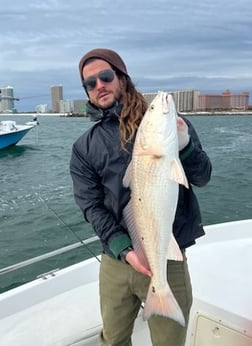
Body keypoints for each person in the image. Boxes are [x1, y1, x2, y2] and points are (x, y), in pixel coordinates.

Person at [70, 48, 212, 346]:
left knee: (169, 342)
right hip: (116, 260)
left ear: (122, 78)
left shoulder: (166, 124)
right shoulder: (84, 147)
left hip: (166, 257)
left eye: (105, 76)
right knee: (114, 339)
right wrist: (124, 248)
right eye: (90, 83)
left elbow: (202, 176)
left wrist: (185, 145)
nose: (99, 86)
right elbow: (91, 206)